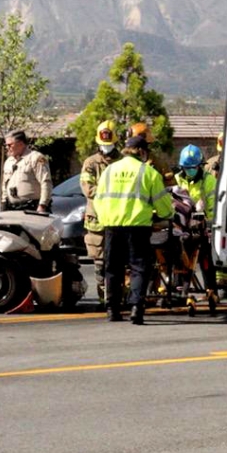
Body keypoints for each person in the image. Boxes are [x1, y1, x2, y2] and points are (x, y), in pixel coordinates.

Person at [94, 125, 174, 325]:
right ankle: (136, 308)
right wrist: (166, 215)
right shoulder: (148, 172)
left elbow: (98, 200)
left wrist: (106, 220)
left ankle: (112, 309)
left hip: (112, 226)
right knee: (139, 267)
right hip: (138, 227)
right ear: (142, 152)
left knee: (113, 268)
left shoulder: (109, 171)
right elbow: (163, 204)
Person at [80, 120, 122, 309]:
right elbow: (88, 189)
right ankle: (103, 298)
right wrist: (112, 192)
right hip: (97, 219)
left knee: (119, 261)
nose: (107, 147)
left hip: (119, 218)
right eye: (104, 144)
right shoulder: (90, 163)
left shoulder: (123, 162)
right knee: (100, 262)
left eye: (109, 144)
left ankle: (119, 297)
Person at [174, 144, 218, 298]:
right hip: (182, 223)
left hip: (202, 223)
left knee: (205, 256)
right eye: (187, 168)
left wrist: (209, 223)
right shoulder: (178, 178)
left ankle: (211, 289)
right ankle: (178, 287)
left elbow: (213, 204)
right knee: (178, 252)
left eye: (193, 167)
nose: (190, 171)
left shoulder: (209, 180)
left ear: (200, 166)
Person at [205, 131, 227, 296]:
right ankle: (221, 286)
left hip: (222, 210)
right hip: (220, 210)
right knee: (219, 246)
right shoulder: (211, 164)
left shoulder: (211, 163)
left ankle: (222, 285)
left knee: (223, 246)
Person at [1, 130, 52, 213]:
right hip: (12, 208)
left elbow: (46, 182)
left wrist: (42, 205)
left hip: (32, 208)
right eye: (6, 145)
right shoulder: (8, 162)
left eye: (10, 145)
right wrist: (3, 204)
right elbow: (4, 186)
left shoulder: (36, 158)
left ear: (20, 144)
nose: (7, 147)